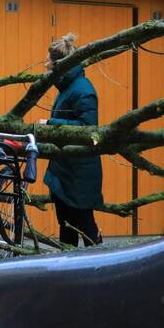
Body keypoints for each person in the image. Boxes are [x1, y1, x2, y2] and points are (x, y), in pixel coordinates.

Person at [38, 33, 104, 246]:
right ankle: (68, 271)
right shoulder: (67, 86)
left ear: (59, 63)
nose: (45, 63)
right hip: (65, 168)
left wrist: (50, 124)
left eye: (48, 59)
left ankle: (99, 269)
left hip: (79, 172)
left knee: (85, 226)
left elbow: (87, 129)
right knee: (66, 225)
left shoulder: (83, 91)